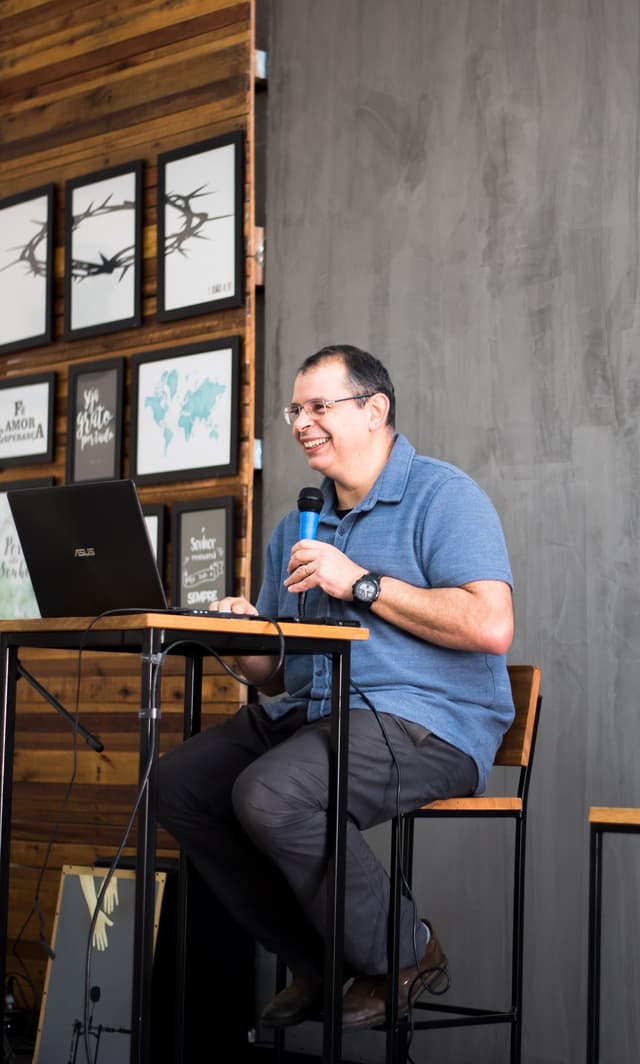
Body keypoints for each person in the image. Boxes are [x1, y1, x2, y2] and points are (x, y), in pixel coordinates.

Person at [157, 344, 515, 1030]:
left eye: (319, 406)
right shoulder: (297, 524)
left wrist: (360, 583)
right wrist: (244, 633)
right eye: (295, 409)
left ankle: (407, 951)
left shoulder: (443, 496)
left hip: (426, 723)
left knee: (270, 792)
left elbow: (492, 625)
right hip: (315, 714)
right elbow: (277, 675)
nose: (301, 422)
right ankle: (321, 960)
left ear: (375, 410)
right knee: (179, 785)